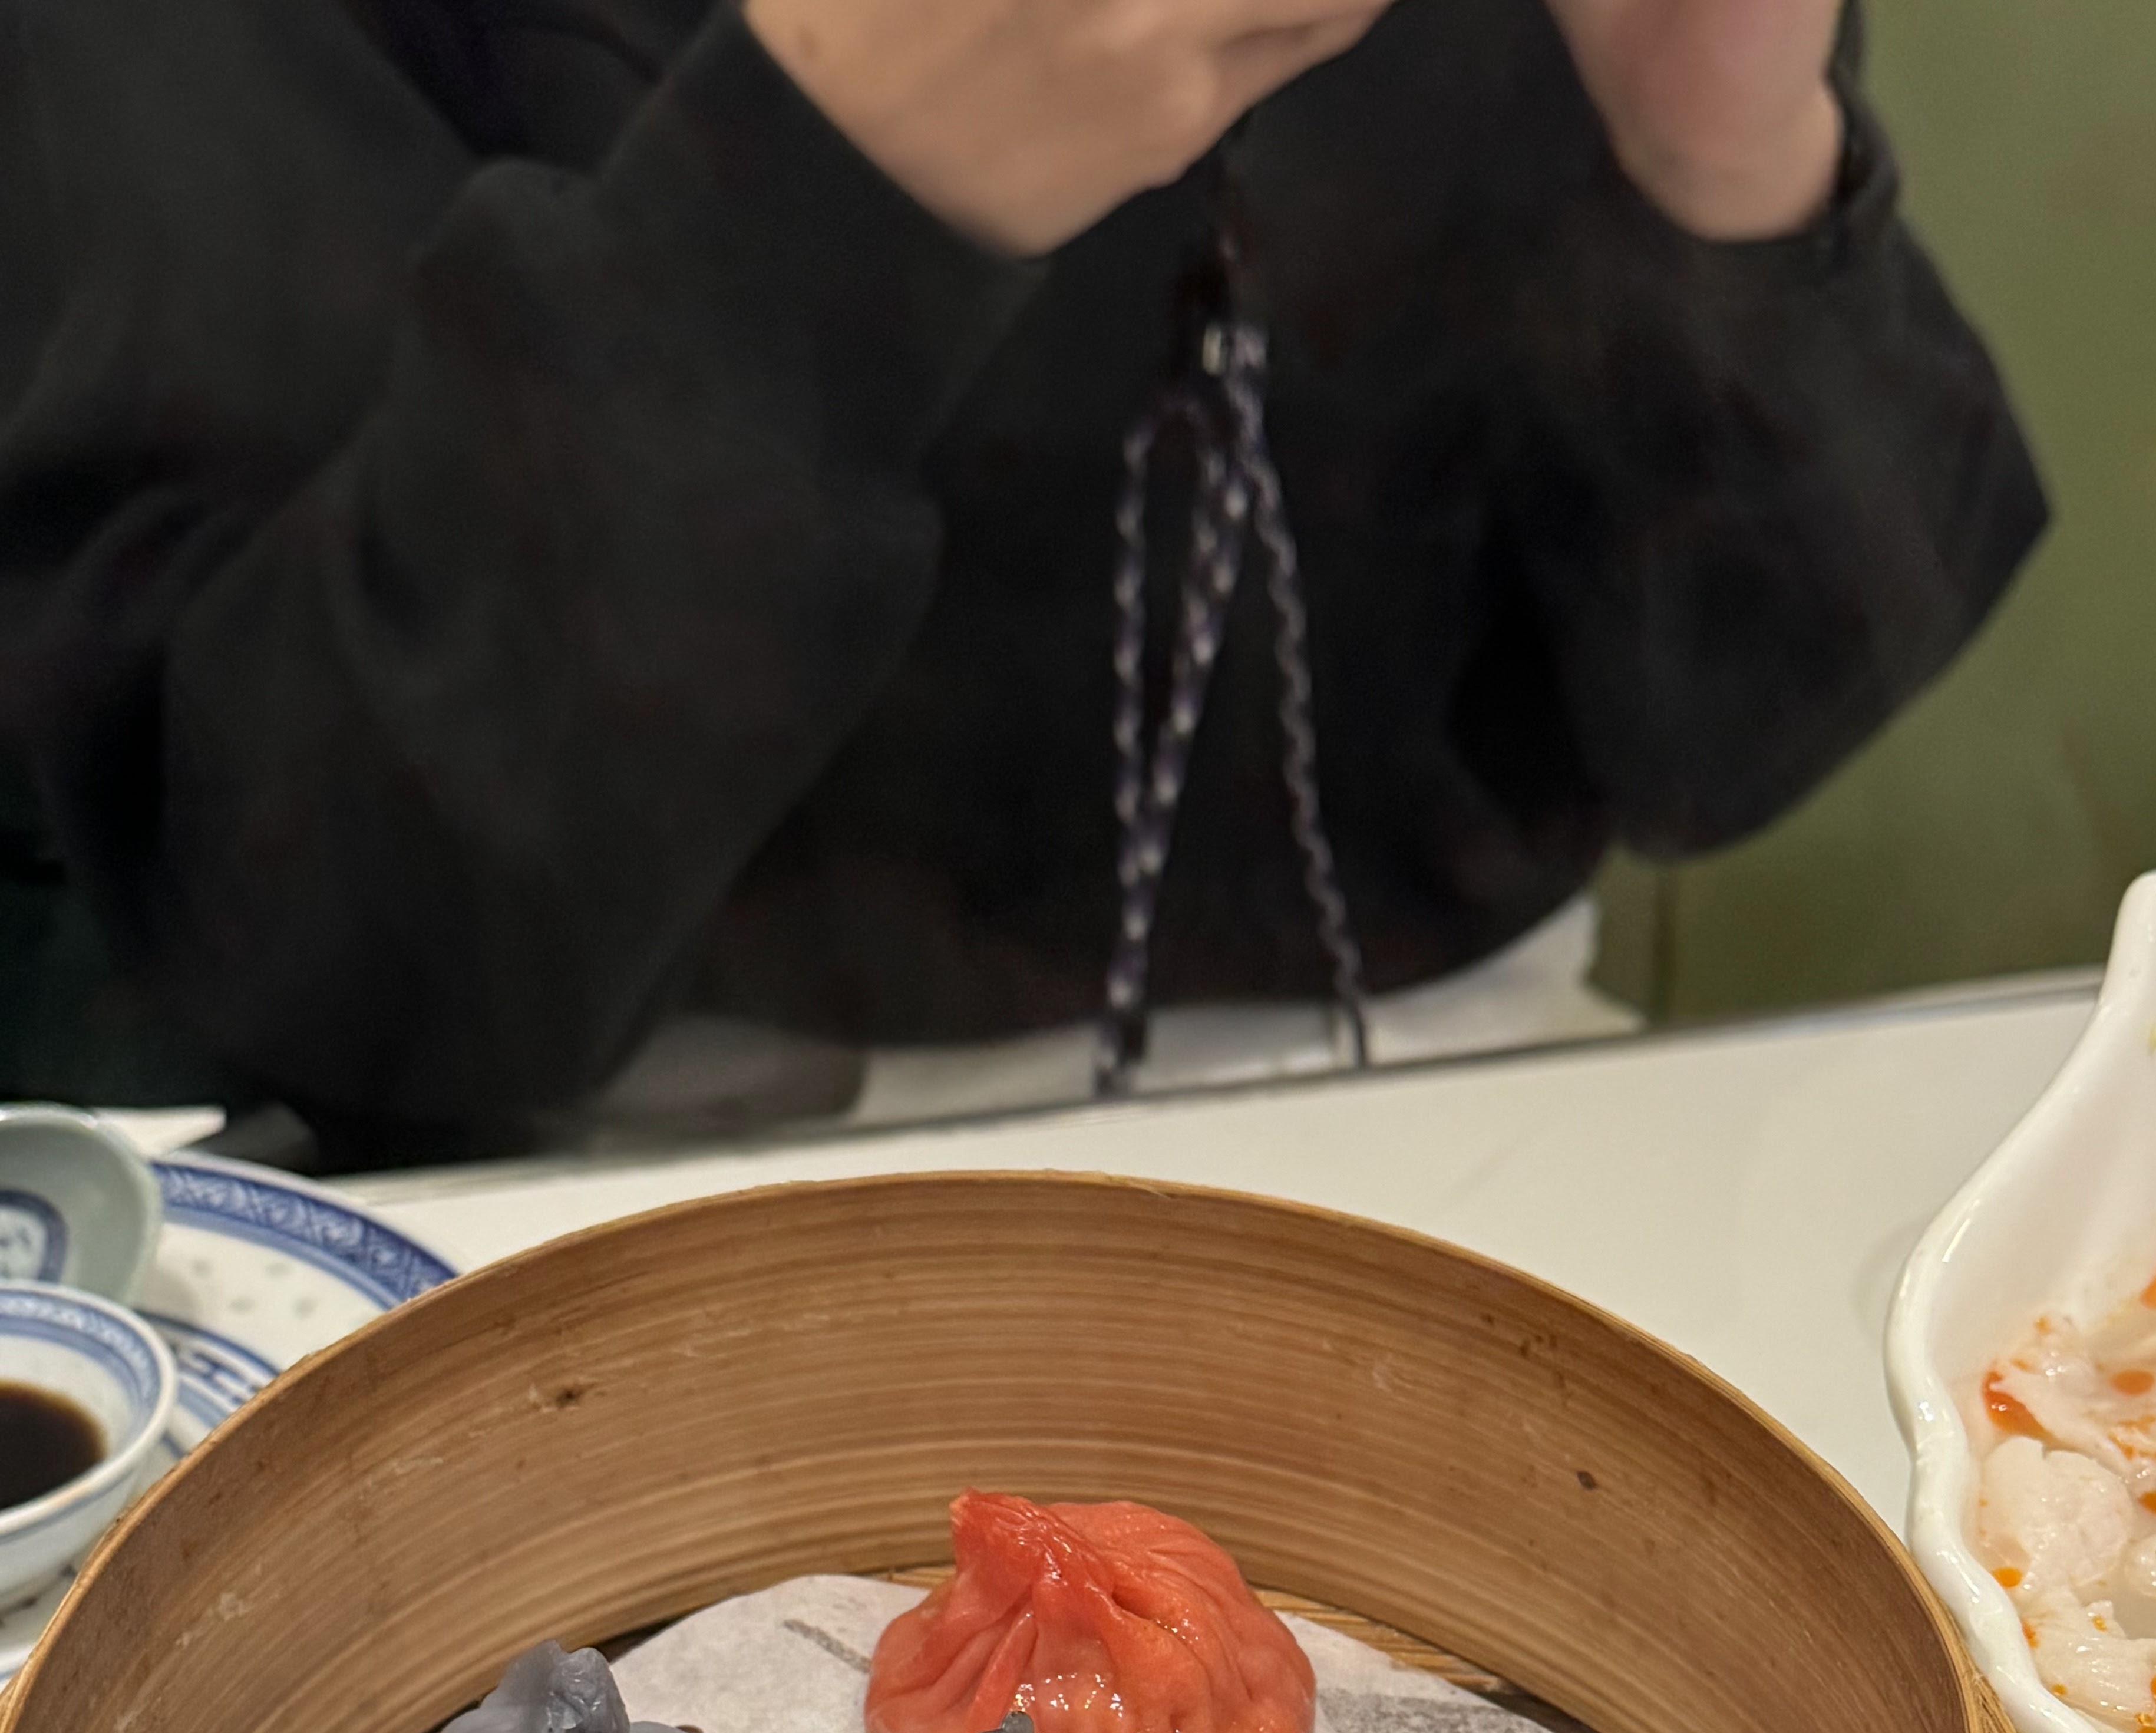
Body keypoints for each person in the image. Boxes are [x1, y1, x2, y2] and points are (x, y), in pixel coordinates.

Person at [0, 0, 2042, 1164]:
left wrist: (1724, 149)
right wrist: (822, 183)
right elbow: (338, 956)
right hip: (639, 1158)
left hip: (1478, 1100)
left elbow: (1744, 733)